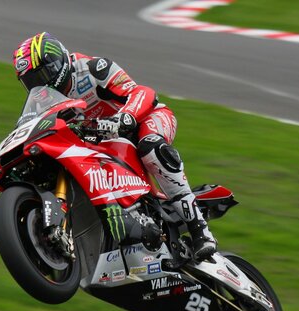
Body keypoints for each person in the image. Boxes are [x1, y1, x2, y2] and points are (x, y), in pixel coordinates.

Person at [12, 32, 216, 259]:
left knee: (150, 146)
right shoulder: (44, 101)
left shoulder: (92, 69)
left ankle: (200, 231)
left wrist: (126, 117)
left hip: (144, 120)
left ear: (57, 63)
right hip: (104, 146)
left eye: (41, 76)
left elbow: (142, 92)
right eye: (30, 82)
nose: (38, 85)